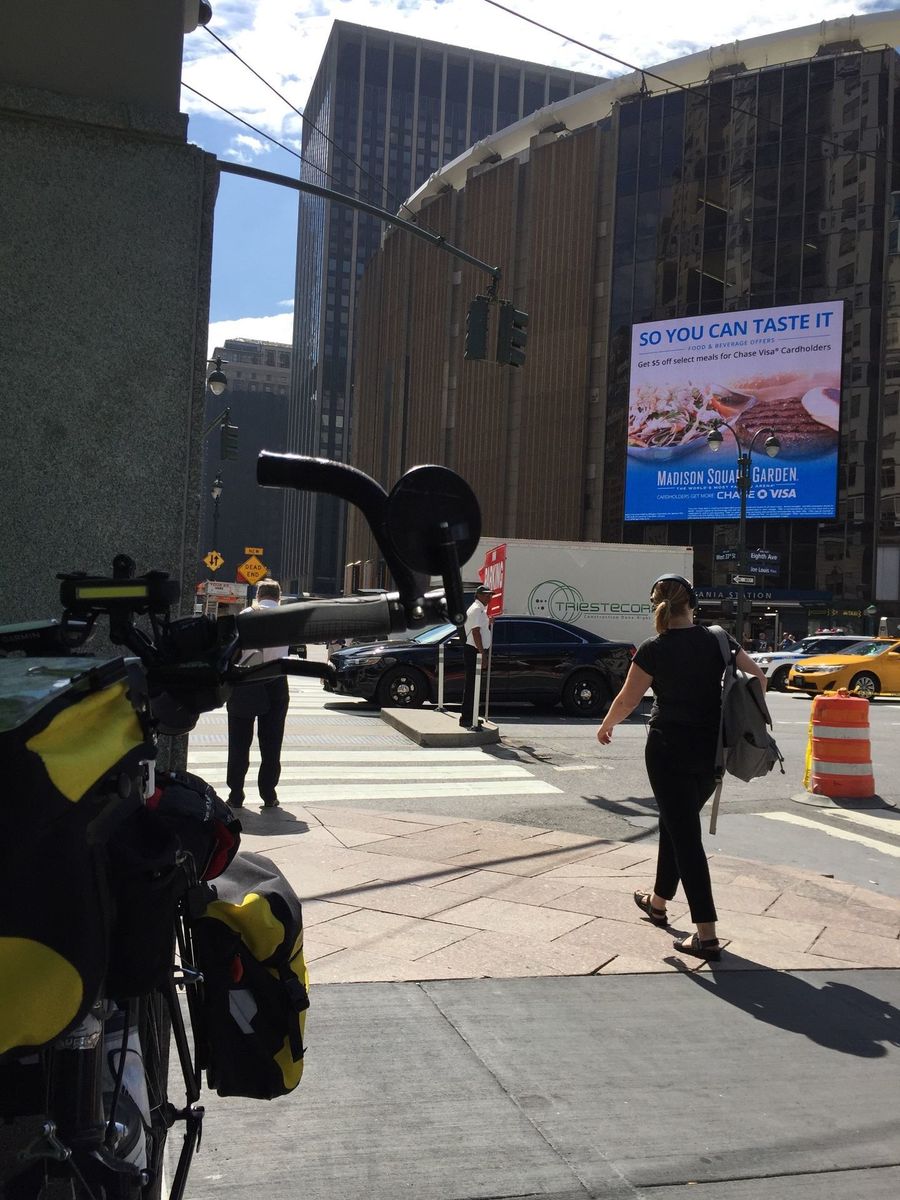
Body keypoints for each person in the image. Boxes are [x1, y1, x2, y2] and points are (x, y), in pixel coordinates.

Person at [596, 574, 766, 962]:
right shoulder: (719, 639)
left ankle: (706, 935)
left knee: (685, 835)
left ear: (655, 605)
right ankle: (658, 903)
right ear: (693, 603)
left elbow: (628, 700)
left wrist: (606, 725)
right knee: (677, 824)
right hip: (710, 750)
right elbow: (757, 678)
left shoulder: (654, 648)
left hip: (667, 749)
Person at [226, 578, 290, 808]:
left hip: (245, 680)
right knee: (272, 742)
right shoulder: (287, 618)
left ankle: (236, 794)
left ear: (258, 596)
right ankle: (269, 794)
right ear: (278, 597)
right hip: (276, 680)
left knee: (239, 742)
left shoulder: (244, 616)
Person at [460, 584, 493, 729]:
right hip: (473, 650)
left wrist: (489, 622)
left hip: (475, 650)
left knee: (475, 685)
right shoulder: (477, 609)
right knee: (472, 685)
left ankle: (472, 716)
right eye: (486, 594)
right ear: (478, 595)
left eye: (490, 594)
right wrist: (482, 654)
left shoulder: (480, 609)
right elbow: (475, 633)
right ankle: (466, 718)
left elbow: (481, 629)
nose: (489, 597)